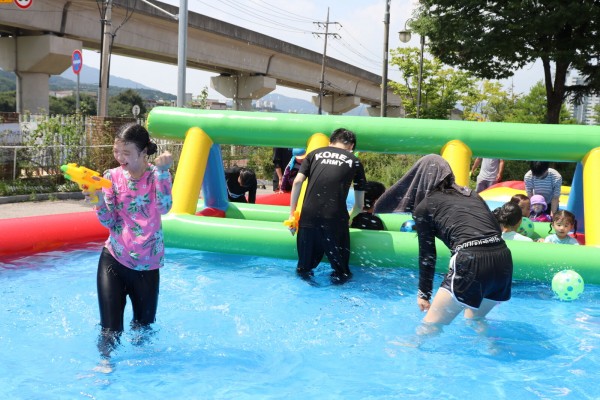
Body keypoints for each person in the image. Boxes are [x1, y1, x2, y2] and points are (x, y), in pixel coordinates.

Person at [376, 154, 513, 333]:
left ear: (419, 179)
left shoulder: (425, 207)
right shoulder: (471, 194)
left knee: (430, 326)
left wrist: (424, 294)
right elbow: (494, 228)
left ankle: (406, 350)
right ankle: (493, 348)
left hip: (471, 260)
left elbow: (427, 255)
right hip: (503, 259)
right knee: (475, 320)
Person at [84, 123, 173, 362]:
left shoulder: (156, 175)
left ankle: (141, 374)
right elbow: (110, 221)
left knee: (142, 328)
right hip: (114, 257)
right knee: (110, 329)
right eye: (117, 152)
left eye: (127, 153)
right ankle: (105, 364)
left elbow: (165, 208)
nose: (120, 158)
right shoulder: (111, 177)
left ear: (144, 153)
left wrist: (164, 173)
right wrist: (98, 199)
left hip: (147, 265)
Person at [289, 128, 366, 284]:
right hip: (335, 218)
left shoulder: (314, 154)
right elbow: (360, 204)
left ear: (331, 142)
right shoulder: (354, 160)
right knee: (341, 272)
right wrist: (350, 217)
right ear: (351, 146)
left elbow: (297, 182)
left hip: (308, 216)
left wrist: (292, 215)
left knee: (304, 270)